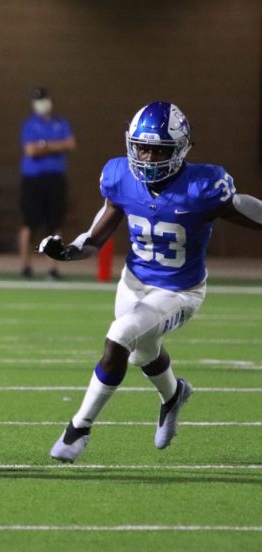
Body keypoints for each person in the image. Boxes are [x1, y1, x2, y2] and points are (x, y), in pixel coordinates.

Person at [38, 101, 262, 463]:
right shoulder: (120, 176)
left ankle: (78, 428)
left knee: (119, 337)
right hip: (134, 281)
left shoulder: (203, 186)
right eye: (141, 146)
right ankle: (173, 395)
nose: (147, 156)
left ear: (180, 150)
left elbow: (241, 206)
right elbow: (94, 239)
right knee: (144, 352)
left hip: (180, 290)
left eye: (158, 149)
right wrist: (67, 251)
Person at [18, 87, 76, 279]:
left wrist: (44, 145)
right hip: (33, 179)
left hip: (55, 178)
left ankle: (53, 267)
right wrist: (55, 146)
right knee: (30, 223)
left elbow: (70, 144)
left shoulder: (61, 123)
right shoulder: (30, 124)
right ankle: (26, 266)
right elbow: (31, 151)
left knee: (54, 223)